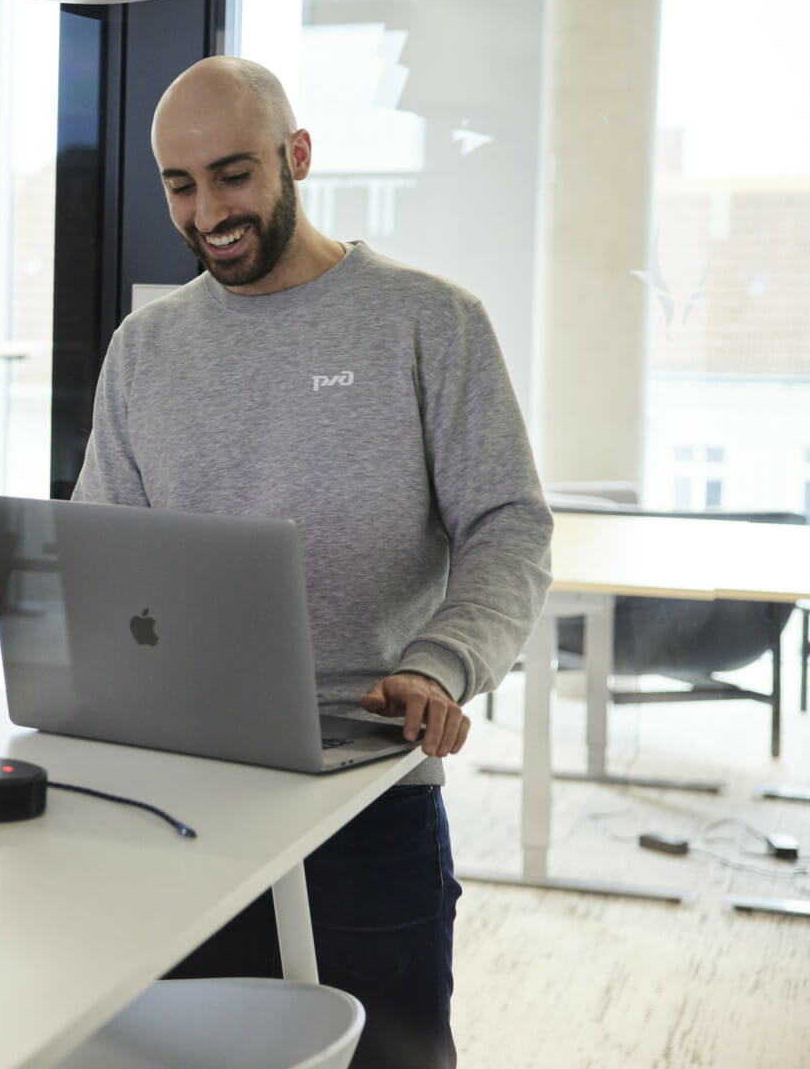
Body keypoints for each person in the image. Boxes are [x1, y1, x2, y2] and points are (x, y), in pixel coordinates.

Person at [73, 57, 552, 1069]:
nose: (210, 212)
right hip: (185, 801)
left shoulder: (429, 323)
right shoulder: (145, 350)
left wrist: (441, 664)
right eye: (180, 185)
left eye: (233, 175)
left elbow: (510, 526)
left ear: (298, 157)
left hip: (368, 790)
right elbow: (100, 561)